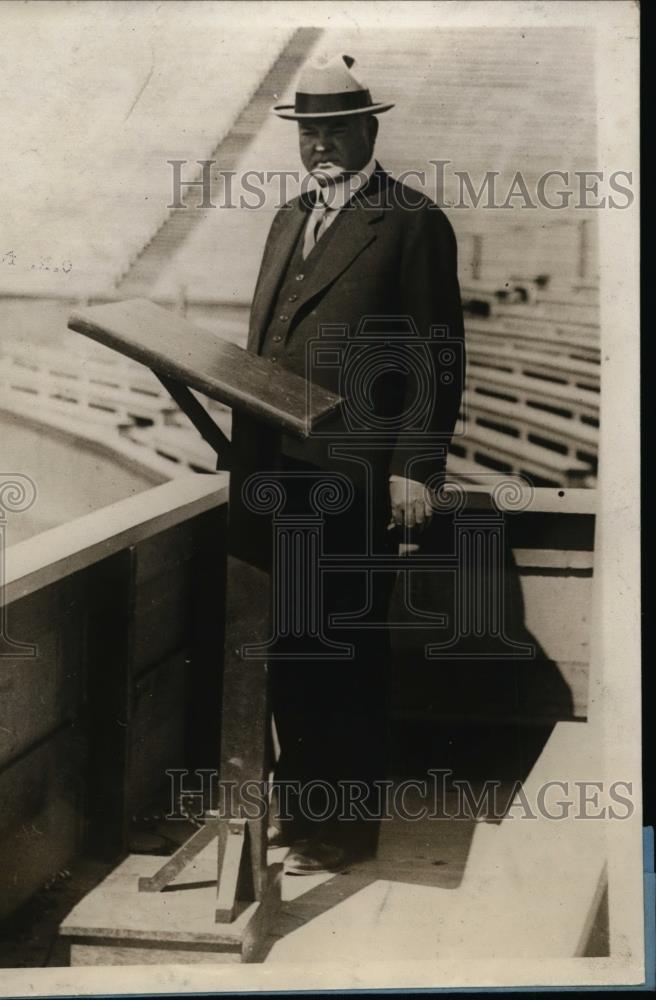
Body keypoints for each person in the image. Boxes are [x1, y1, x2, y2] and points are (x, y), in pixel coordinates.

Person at [238, 53, 465, 874]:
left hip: (355, 478)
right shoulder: (288, 217)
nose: (320, 144)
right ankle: (301, 812)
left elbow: (437, 357)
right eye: (309, 131)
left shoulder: (409, 221)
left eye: (335, 128)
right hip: (276, 476)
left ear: (369, 128)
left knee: (346, 652)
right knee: (294, 653)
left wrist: (416, 468)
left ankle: (347, 827)